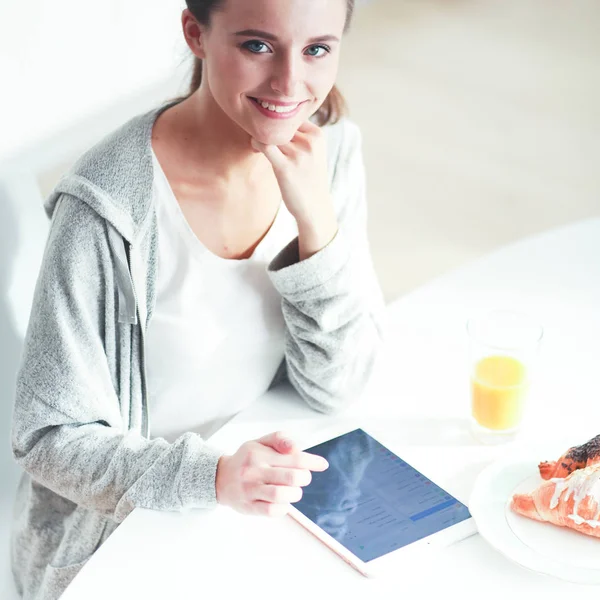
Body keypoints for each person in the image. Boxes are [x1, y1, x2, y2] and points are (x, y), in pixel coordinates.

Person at [9, 0, 385, 597]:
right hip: (122, 544)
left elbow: (338, 385)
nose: (290, 83)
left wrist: (317, 226)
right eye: (257, 46)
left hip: (260, 520)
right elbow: (48, 437)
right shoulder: (106, 208)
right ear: (196, 33)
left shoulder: (329, 152)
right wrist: (213, 477)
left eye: (317, 49)